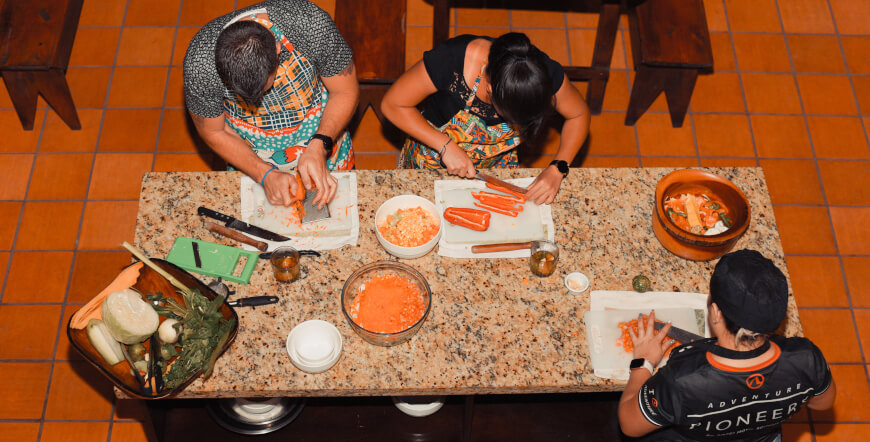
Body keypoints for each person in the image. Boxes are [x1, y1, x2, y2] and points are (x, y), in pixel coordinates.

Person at [618, 249, 835, 441]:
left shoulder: (681, 380)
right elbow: (822, 403)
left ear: (715, 312)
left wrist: (643, 362)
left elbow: (629, 425)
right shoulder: (807, 358)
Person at [183, 0, 358, 208]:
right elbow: (214, 132)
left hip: (322, 131)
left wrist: (321, 144)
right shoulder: (200, 65)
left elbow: (345, 91)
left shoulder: (311, 25)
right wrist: (264, 174)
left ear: (277, 48)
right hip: (250, 151)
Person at [381, 32, 590, 205]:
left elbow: (579, 115)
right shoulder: (452, 60)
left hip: (496, 167)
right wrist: (445, 145)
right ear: (489, 90)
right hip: (430, 157)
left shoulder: (541, 75)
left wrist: (558, 168)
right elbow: (392, 104)